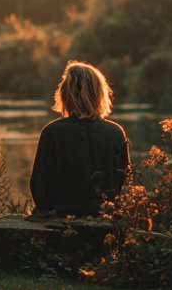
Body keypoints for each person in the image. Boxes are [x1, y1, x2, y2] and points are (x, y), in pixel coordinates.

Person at [29, 61, 130, 216]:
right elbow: (123, 184)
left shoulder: (52, 132)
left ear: (64, 94)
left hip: (62, 216)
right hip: (105, 217)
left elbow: (40, 190)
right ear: (100, 94)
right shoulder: (116, 132)